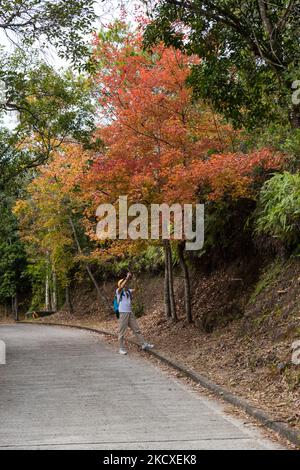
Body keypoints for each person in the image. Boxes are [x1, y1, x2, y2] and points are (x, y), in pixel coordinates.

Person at [116, 272, 154, 355]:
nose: (125, 284)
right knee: (122, 331)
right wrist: (127, 277)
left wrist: (135, 279)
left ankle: (143, 344)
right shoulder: (118, 292)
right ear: (120, 284)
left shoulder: (128, 291)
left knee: (136, 329)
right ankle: (121, 348)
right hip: (123, 313)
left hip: (130, 313)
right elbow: (121, 287)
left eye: (125, 283)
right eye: (123, 283)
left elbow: (137, 289)